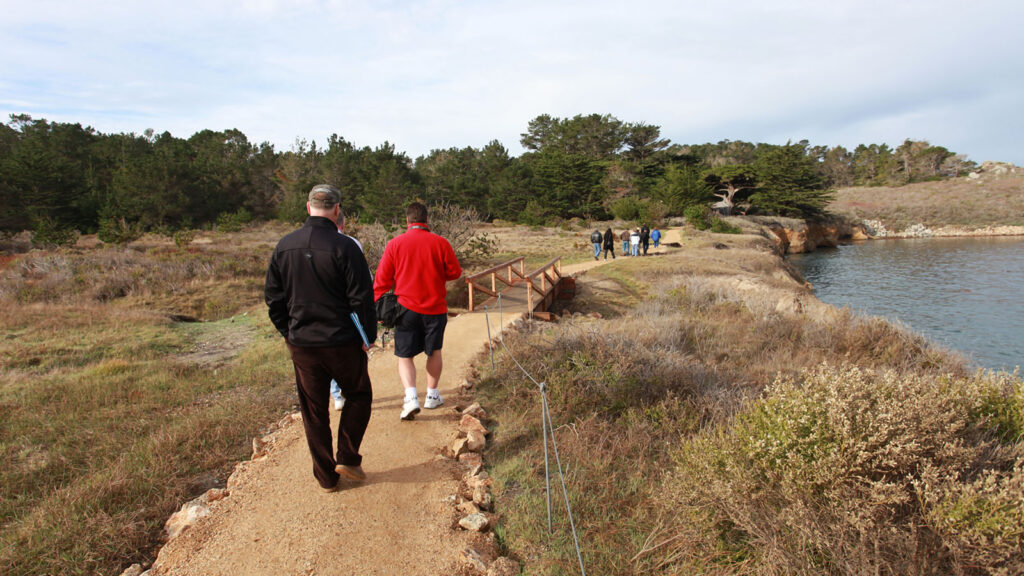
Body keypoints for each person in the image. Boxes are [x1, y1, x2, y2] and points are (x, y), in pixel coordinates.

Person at [265, 184, 376, 492]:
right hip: (341, 341)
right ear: (337, 209)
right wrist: (368, 336)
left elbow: (273, 298)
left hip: (302, 343)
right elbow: (361, 298)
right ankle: (348, 456)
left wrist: (287, 332)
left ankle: (327, 478)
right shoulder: (346, 247)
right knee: (359, 395)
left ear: (307, 206)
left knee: (314, 410)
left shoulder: (284, 246)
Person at [374, 202, 462, 421]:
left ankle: (411, 397)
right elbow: (455, 272)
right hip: (435, 308)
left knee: (405, 355)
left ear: (407, 221)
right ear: (426, 220)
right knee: (434, 351)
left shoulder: (395, 244)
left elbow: (382, 280)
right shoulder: (441, 243)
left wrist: (376, 305)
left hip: (406, 309)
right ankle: (432, 395)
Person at [330, 216, 367, 412]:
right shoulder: (352, 243)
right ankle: (350, 389)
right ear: (342, 224)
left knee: (330, 350)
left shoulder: (308, 241)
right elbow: (363, 279)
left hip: (323, 307)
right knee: (350, 350)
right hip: (349, 306)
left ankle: (336, 394)